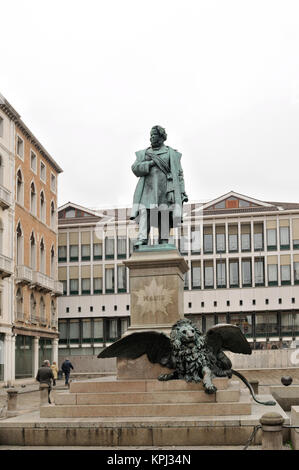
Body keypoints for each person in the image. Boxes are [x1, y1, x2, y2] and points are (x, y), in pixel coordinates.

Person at [130, 125, 188, 246]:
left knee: (164, 212)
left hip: (166, 188)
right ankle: (142, 238)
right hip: (148, 188)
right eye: (150, 135)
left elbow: (179, 174)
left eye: (154, 135)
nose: (151, 138)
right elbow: (135, 169)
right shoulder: (145, 153)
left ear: (161, 137)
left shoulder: (171, 153)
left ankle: (164, 239)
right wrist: (150, 163)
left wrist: (182, 192)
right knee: (145, 211)